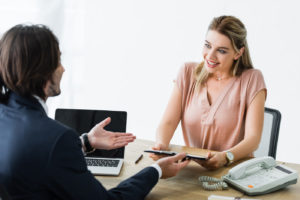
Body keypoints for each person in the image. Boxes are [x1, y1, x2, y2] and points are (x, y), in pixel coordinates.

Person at [0, 24, 190, 199]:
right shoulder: (56, 139)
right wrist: (155, 170)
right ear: (43, 71)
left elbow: (37, 156)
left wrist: (85, 142)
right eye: (58, 60)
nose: (63, 69)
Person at [151, 15, 266, 170]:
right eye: (207, 45)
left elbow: (253, 139)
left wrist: (225, 157)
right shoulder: (187, 72)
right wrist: (161, 145)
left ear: (238, 53)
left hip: (235, 171)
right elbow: (168, 122)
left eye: (222, 51)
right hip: (194, 171)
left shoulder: (252, 79)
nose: (210, 56)